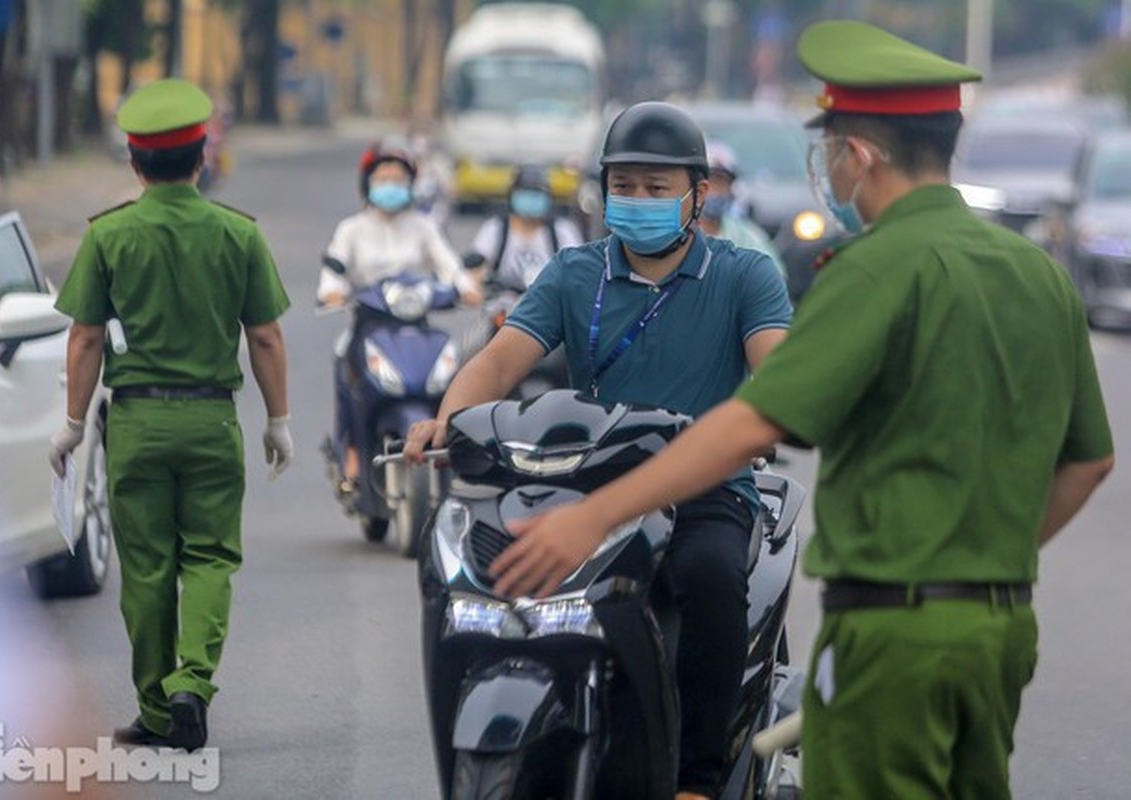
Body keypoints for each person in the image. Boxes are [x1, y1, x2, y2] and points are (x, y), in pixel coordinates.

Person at [489, 21, 1115, 799]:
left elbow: (756, 421)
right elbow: (1090, 460)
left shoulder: (874, 269)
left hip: (892, 635)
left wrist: (594, 515)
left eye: (828, 147)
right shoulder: (1039, 275)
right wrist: (980, 561)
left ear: (857, 153)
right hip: (1000, 629)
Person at [405, 101, 794, 800]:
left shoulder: (744, 276)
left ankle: (698, 778)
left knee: (709, 578)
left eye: (657, 188)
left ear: (698, 195)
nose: (638, 201)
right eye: (624, 187)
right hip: (586, 486)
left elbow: (781, 366)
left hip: (705, 489)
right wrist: (447, 419)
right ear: (603, 191)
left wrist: (794, 396)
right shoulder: (573, 274)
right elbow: (497, 364)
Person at [49, 78, 293, 752]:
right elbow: (266, 336)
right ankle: (194, 682)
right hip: (212, 423)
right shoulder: (237, 233)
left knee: (149, 568)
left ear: (134, 160)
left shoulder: (108, 236)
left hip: (136, 426)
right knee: (211, 558)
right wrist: (278, 420)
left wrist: (72, 422)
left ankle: (157, 713)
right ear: (202, 158)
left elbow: (86, 337)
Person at [317, 141, 481, 493]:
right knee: (343, 358)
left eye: (398, 178)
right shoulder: (352, 229)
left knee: (451, 371)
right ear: (368, 183)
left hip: (416, 327)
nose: (391, 184)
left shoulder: (423, 227)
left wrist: (466, 287)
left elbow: (450, 267)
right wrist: (332, 289)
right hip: (368, 325)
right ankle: (350, 453)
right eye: (383, 177)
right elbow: (334, 270)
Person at [465, 164, 584, 291]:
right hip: (503, 302)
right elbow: (477, 263)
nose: (531, 199)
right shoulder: (496, 228)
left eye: (537, 194)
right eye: (525, 193)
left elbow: (578, 267)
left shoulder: (561, 230)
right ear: (512, 194)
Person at [698, 141, 786, 276]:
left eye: (721, 183)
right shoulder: (681, 233)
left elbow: (775, 276)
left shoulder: (747, 235)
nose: (715, 192)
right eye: (710, 184)